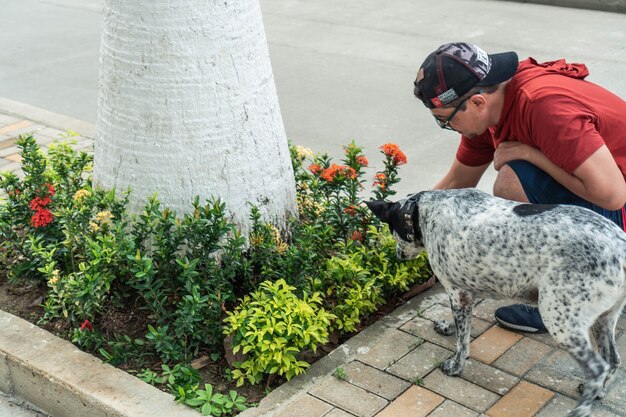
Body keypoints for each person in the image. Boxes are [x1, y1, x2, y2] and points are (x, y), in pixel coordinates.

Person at [413, 42, 626, 333]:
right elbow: (455, 183)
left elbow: (613, 195)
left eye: (446, 121)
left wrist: (529, 154)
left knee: (511, 183)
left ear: (476, 103)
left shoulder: (543, 106)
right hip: (611, 197)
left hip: (618, 209)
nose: (450, 128)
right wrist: (404, 221)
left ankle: (570, 300)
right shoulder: (490, 102)